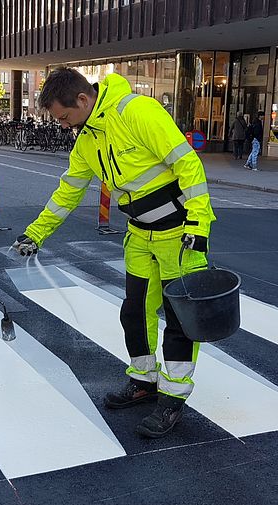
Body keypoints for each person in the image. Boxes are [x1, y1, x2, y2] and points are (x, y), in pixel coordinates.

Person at [12, 67, 215, 438]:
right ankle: (144, 380)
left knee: (180, 321)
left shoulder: (138, 112)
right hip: (139, 235)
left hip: (178, 236)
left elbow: (188, 165)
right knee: (134, 313)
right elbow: (68, 192)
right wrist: (36, 233)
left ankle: (172, 400)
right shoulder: (87, 139)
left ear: (83, 100)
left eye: (63, 116)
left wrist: (198, 225)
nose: (62, 125)